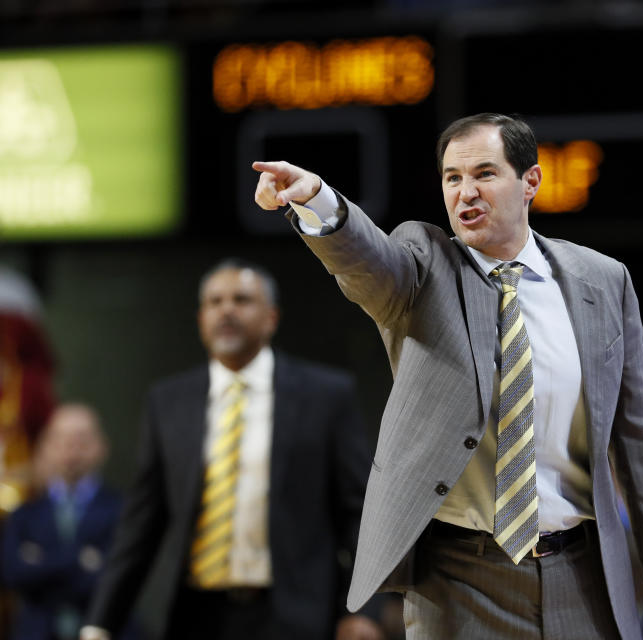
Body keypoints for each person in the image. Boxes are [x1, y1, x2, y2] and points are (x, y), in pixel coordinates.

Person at [252, 112, 643, 639]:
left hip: (581, 572)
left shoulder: (602, 280)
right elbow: (369, 260)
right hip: (460, 577)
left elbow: (640, 432)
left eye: (484, 174)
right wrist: (317, 199)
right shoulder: (424, 266)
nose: (466, 193)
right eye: (452, 178)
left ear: (530, 181)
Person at [80, 259, 382, 640]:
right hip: (195, 613)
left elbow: (359, 514)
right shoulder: (169, 401)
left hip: (294, 614)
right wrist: (100, 623)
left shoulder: (326, 395)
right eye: (214, 301)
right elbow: (142, 524)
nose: (226, 309)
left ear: (271, 317)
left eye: (241, 300)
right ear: (200, 319)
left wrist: (363, 611)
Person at [1, 404, 128, 640]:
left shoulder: (125, 511)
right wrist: (81, 559)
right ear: (45, 447)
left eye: (81, 440)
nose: (72, 450)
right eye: (62, 440)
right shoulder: (23, 515)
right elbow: (12, 573)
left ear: (101, 447)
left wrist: (42, 561)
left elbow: (117, 577)